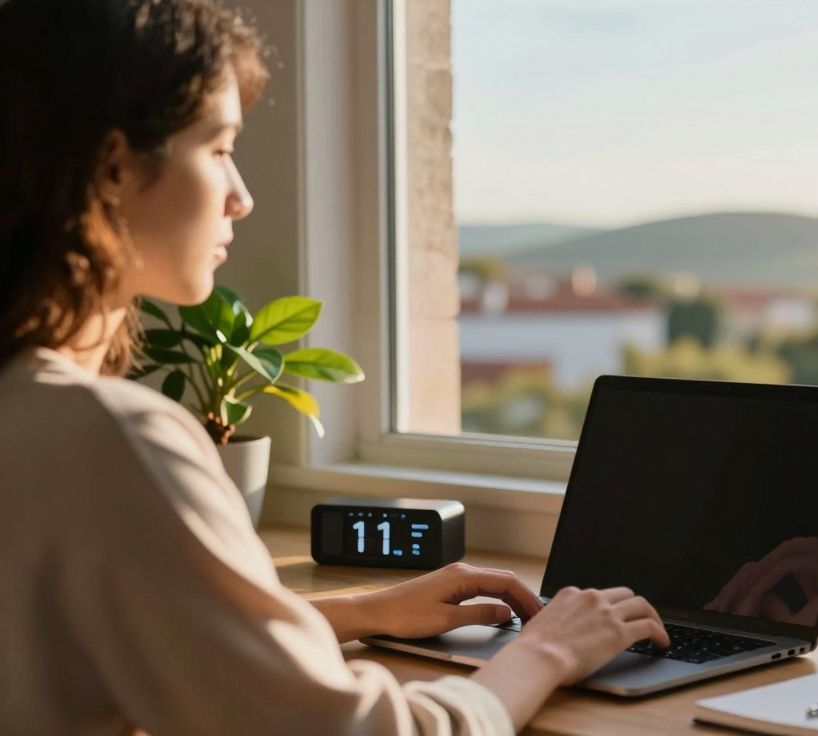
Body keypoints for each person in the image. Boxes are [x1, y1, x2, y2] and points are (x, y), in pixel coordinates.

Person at [0, 1, 668, 734]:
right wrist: (544, 651)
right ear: (114, 166)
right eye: (219, 148)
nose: (242, 196)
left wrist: (364, 612)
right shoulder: (109, 439)